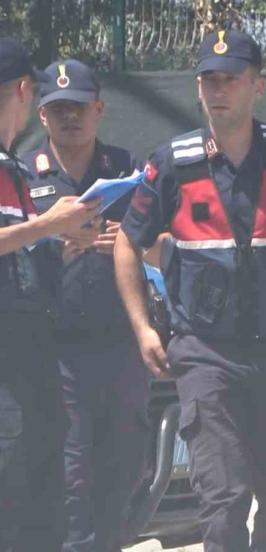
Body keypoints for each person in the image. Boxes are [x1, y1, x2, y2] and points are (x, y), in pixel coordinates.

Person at [113, 30, 266, 552]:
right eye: (209, 80)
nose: (218, 90)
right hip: (206, 354)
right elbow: (127, 241)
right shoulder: (172, 163)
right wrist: (143, 328)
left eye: (231, 79)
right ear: (198, 89)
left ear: (258, 85)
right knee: (223, 501)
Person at [21, 59, 148, 552]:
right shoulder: (22, 174)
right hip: (56, 351)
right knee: (72, 476)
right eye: (59, 110)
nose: (70, 118)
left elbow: (163, 240)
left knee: (126, 470)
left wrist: (130, 242)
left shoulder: (127, 169)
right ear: (42, 115)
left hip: (120, 345)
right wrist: (52, 242)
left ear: (99, 110)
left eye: (79, 107)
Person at [0, 37, 101, 552]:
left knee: (42, 500)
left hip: (31, 357)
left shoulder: (14, 169)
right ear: (25, 91)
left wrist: (61, 245)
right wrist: (46, 224)